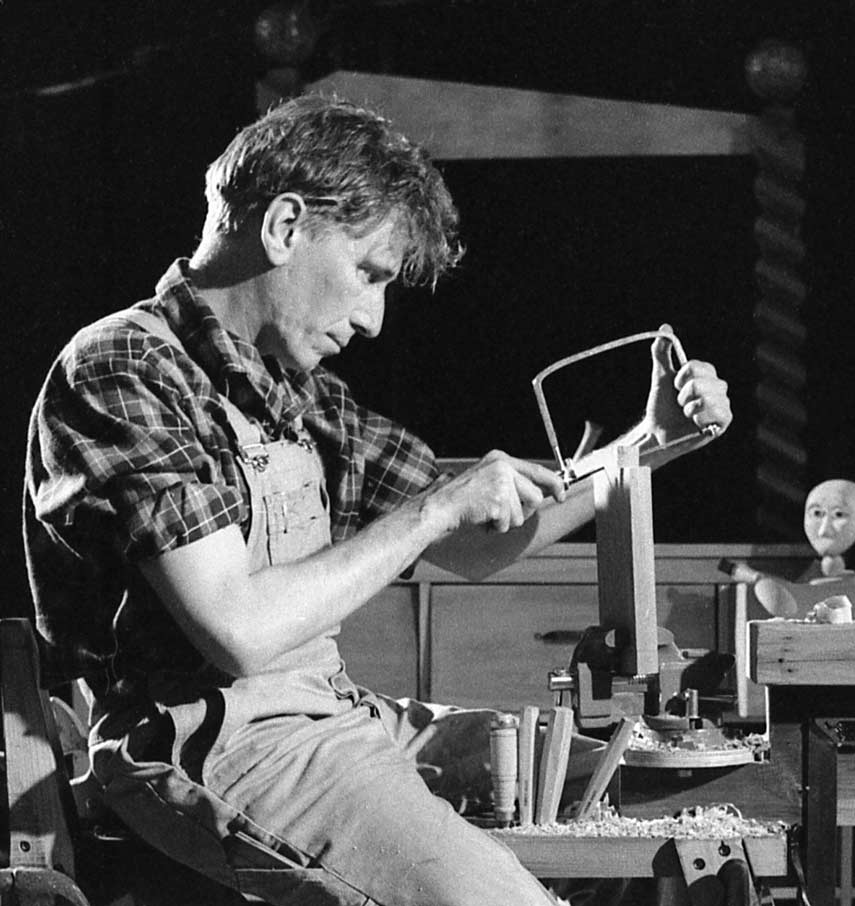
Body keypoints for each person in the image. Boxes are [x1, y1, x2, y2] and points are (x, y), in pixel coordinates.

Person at [23, 95, 733, 906]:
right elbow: (239, 631)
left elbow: (477, 545)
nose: (373, 319)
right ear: (286, 227)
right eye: (368, 274)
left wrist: (648, 444)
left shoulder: (302, 396)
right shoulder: (124, 367)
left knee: (633, 780)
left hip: (332, 713)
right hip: (206, 739)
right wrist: (433, 508)